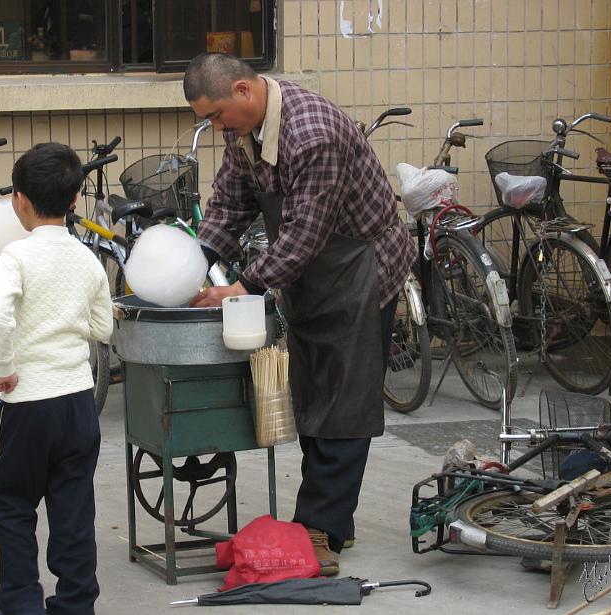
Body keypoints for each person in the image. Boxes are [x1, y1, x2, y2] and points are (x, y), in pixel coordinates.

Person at [184, 53, 416, 576]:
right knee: (313, 391)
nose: (215, 126)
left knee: (345, 398)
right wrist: (192, 263)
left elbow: (305, 234)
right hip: (310, 275)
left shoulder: (313, 134)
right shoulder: (242, 129)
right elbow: (230, 204)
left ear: (243, 91)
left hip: (360, 268)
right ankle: (335, 515)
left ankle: (320, 526)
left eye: (217, 115)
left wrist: (241, 287)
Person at [0, 142, 113, 615]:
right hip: (78, 402)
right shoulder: (88, 258)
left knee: (12, 504)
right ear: (76, 199)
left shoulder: (16, 255)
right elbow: (103, 328)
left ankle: (20, 603)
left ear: (19, 199)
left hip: (27, 402)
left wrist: (4, 369)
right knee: (73, 505)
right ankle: (77, 602)